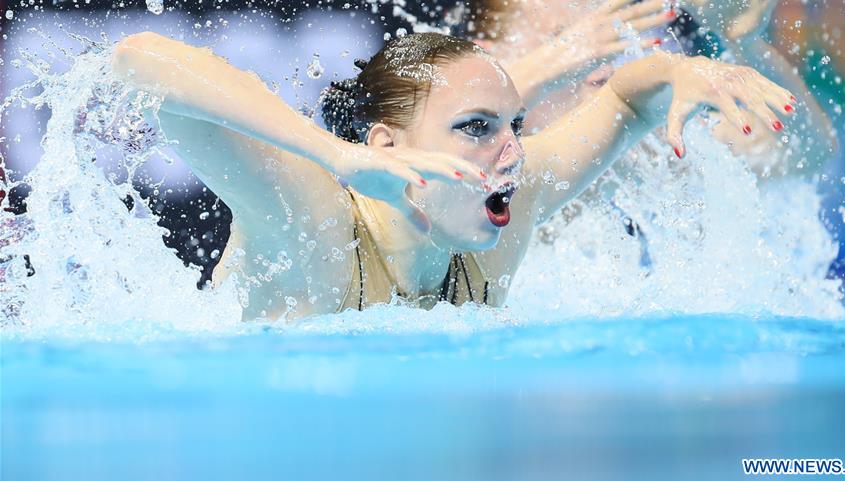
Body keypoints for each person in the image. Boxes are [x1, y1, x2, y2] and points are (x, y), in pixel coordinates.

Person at [112, 27, 794, 320]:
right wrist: (343, 157)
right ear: (386, 145)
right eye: (476, 128)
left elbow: (621, 98)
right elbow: (141, 59)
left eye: (513, 127)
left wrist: (682, 70)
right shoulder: (316, 224)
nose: (513, 152)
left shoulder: (501, 221)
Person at [469, 0, 837, 178]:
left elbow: (806, 153)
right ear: (491, 59)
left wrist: (748, 48)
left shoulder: (647, 152)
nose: (598, 64)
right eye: (567, 41)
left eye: (607, 37)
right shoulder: (462, 169)